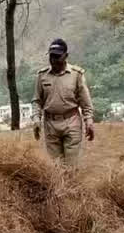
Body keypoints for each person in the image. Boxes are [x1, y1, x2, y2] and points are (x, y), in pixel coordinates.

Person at [33, 38, 94, 168]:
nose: (54, 60)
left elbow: (85, 100)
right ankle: (59, 188)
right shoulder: (42, 76)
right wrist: (36, 119)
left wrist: (88, 120)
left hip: (71, 121)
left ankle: (71, 187)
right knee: (56, 167)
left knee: (71, 166)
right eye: (51, 56)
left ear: (66, 56)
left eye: (57, 56)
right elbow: (37, 100)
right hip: (50, 124)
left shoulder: (76, 74)